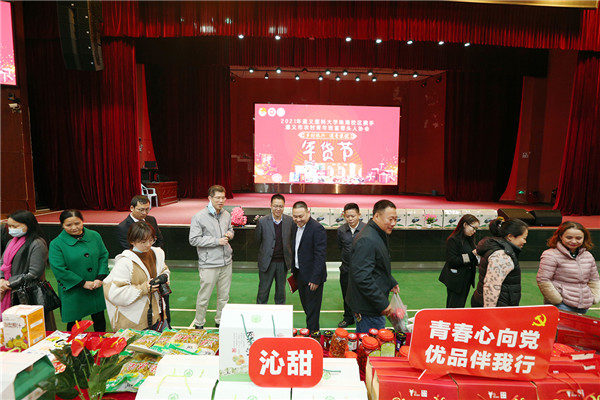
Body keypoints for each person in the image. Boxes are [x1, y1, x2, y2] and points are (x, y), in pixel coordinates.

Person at [49, 210, 109, 331]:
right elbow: (59, 269)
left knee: (99, 318)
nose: (74, 227)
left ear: (82, 221)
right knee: (74, 323)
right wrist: (82, 283)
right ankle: (73, 343)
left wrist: (100, 277)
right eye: (68, 225)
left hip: (95, 285)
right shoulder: (56, 244)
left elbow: (103, 256)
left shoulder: (94, 236)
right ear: (62, 225)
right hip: (73, 289)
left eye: (77, 223)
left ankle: (101, 341)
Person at [104, 221, 170, 330]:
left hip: (158, 314)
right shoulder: (125, 262)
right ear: (132, 241)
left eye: (151, 240)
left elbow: (164, 270)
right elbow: (115, 294)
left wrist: (164, 279)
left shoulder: (157, 254)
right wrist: (143, 288)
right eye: (143, 241)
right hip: (135, 320)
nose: (148, 244)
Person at [347, 200, 399, 333]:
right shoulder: (367, 239)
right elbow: (362, 277)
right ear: (376, 216)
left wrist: (390, 282)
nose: (393, 223)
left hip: (371, 305)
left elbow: (377, 265)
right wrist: (382, 303)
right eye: (390, 219)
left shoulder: (378, 233)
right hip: (368, 309)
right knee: (370, 343)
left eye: (395, 219)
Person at [116, 195, 169, 324]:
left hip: (154, 266)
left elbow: (159, 240)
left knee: (163, 306)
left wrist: (155, 256)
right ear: (132, 208)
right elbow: (128, 249)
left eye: (147, 209)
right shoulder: (122, 227)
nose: (144, 213)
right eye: (141, 209)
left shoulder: (151, 220)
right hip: (138, 273)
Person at [0, 210, 56, 329]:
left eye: (15, 226)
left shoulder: (37, 243)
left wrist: (9, 283)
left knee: (34, 327)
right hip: (11, 291)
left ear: (28, 225)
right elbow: (2, 263)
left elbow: (34, 273)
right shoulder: (11, 242)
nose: (11, 229)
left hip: (29, 294)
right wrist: (1, 279)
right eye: (9, 226)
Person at [189, 185, 234, 329]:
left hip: (226, 262)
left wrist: (230, 234)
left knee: (224, 296)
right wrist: (216, 241)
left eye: (223, 198)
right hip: (209, 264)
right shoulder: (199, 217)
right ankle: (199, 323)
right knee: (204, 297)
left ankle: (220, 320)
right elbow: (194, 240)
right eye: (217, 198)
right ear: (210, 198)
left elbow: (230, 229)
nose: (221, 201)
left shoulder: (226, 214)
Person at [536, 221, 600, 314]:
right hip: (561, 305)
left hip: (584, 305)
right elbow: (543, 280)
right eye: (569, 237)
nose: (573, 241)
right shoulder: (550, 255)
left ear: (584, 238)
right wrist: (557, 300)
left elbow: (594, 279)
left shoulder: (588, 256)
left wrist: (594, 297)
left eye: (578, 238)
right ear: (560, 236)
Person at [471, 217, 528, 308]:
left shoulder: (497, 247)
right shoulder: (501, 255)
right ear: (510, 237)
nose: (525, 241)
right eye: (523, 238)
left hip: (492, 303)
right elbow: (491, 287)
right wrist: (490, 312)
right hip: (498, 307)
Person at [291, 201, 327, 333]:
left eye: (301, 216)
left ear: (308, 213)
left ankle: (313, 335)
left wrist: (315, 279)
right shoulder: (295, 227)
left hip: (312, 277)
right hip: (300, 274)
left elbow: (320, 256)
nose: (298, 219)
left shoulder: (317, 229)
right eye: (295, 216)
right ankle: (311, 332)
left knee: (312, 310)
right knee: (307, 307)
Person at [255, 194, 293, 305]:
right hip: (267, 263)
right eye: (275, 206)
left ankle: (280, 314)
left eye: (281, 206)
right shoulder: (262, 221)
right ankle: (260, 313)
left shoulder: (290, 221)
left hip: (283, 263)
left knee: (281, 293)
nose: (278, 209)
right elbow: (257, 241)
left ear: (284, 206)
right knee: (263, 292)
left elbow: (291, 240)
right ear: (271, 206)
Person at [438, 214, 480, 308]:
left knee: (460, 306)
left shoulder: (469, 239)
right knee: (454, 306)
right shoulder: (453, 240)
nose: (474, 231)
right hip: (456, 280)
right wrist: (471, 255)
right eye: (473, 228)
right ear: (465, 224)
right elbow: (452, 261)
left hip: (466, 279)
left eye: (476, 229)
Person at [336, 203, 366, 328]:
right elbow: (340, 247)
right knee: (346, 294)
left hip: (362, 269)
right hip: (346, 269)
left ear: (359, 215)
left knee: (362, 294)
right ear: (344, 216)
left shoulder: (366, 229)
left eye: (353, 216)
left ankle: (362, 316)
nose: (350, 219)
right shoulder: (341, 230)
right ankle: (348, 317)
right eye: (347, 216)